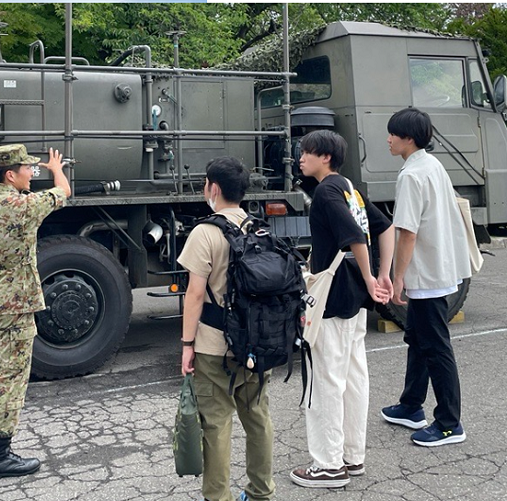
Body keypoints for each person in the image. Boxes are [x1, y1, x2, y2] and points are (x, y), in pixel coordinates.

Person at [0, 140, 71, 479]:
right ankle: (0, 455)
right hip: (17, 304)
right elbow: (63, 192)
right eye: (27, 169)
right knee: (11, 377)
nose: (32, 173)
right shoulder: (25, 206)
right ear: (10, 174)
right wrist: (57, 170)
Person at [290, 130, 394, 488]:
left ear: (326, 158)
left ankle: (328, 465)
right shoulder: (350, 187)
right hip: (354, 301)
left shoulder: (325, 192)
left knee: (326, 381)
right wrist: (381, 275)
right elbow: (386, 228)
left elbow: (354, 236)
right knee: (353, 377)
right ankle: (353, 456)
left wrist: (371, 277)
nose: (300, 158)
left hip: (333, 297)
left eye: (307, 152)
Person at [178, 156, 275, 501]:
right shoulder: (259, 227)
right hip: (257, 344)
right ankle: (262, 491)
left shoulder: (205, 232)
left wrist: (187, 344)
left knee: (216, 424)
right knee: (258, 417)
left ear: (213, 188)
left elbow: (195, 294)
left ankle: (219, 497)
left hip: (214, 345)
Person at [381, 108, 471, 446]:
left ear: (409, 138)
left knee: (435, 346)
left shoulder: (411, 175)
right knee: (418, 339)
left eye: (393, 134)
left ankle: (449, 424)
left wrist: (398, 276)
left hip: (427, 273)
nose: (388, 139)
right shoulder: (431, 165)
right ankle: (410, 406)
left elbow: (407, 232)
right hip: (439, 265)